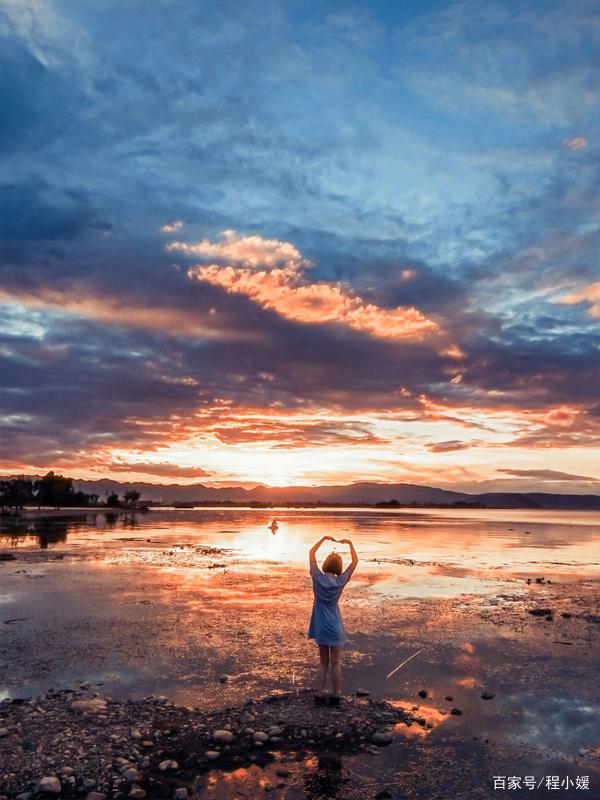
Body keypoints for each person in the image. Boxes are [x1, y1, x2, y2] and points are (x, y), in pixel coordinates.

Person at [307, 535, 358, 707]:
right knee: (336, 662)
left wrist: (323, 539)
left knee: (323, 662)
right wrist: (350, 543)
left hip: (321, 626)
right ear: (338, 567)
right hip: (335, 627)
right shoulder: (340, 581)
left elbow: (311, 552)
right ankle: (336, 695)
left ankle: (319, 693)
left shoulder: (317, 577)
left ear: (326, 564)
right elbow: (355, 562)